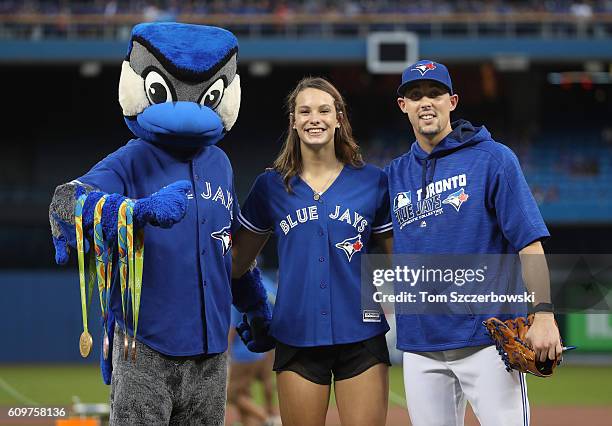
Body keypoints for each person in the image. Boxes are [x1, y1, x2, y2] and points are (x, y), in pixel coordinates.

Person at [387, 60, 562, 426]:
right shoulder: (393, 175)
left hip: (487, 341)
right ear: (403, 105)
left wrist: (543, 313)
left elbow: (529, 244)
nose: (425, 103)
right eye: (415, 95)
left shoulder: (493, 159)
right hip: (421, 347)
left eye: (434, 93)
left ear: (452, 101)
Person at [232, 77, 393, 426]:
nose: (314, 118)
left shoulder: (373, 182)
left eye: (324, 110)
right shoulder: (269, 186)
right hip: (296, 335)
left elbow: (401, 260)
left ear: (339, 118)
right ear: (293, 120)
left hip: (362, 336)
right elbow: (236, 264)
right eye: (304, 111)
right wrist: (254, 307)